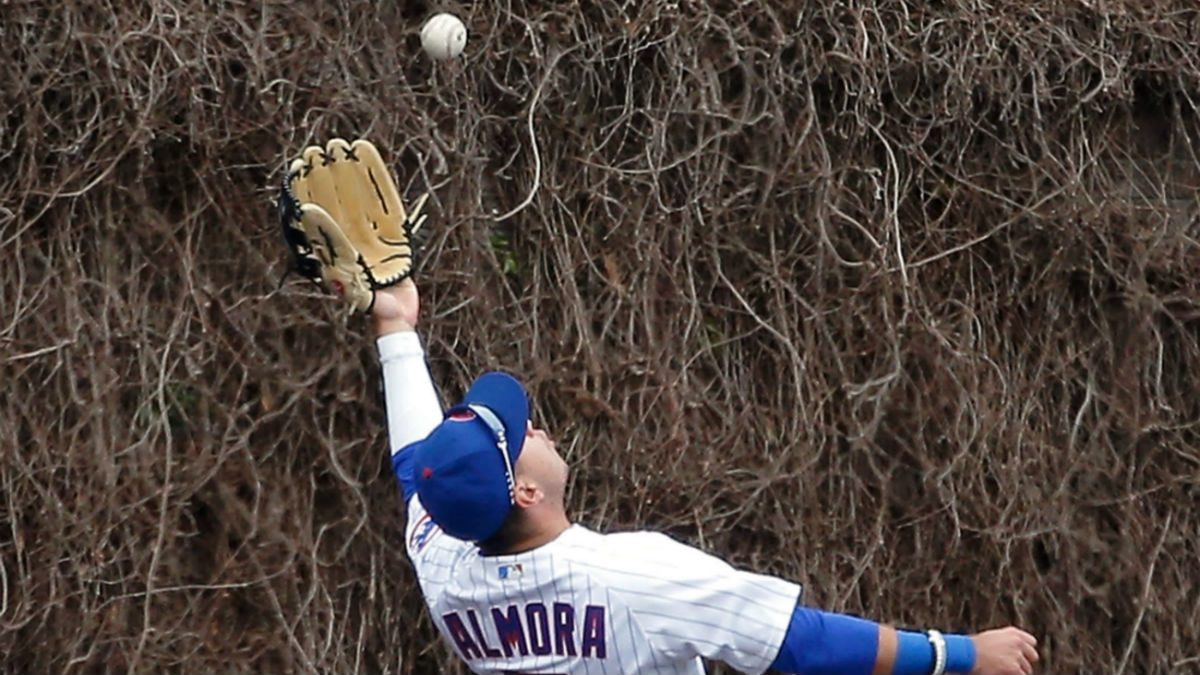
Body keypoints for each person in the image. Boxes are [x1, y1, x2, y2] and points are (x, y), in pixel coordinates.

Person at [371, 280, 1040, 675]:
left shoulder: (445, 556)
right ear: (525, 491)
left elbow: (418, 468)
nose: (537, 429)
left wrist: (395, 325)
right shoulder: (631, 575)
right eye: (522, 437)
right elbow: (797, 643)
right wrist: (961, 653)